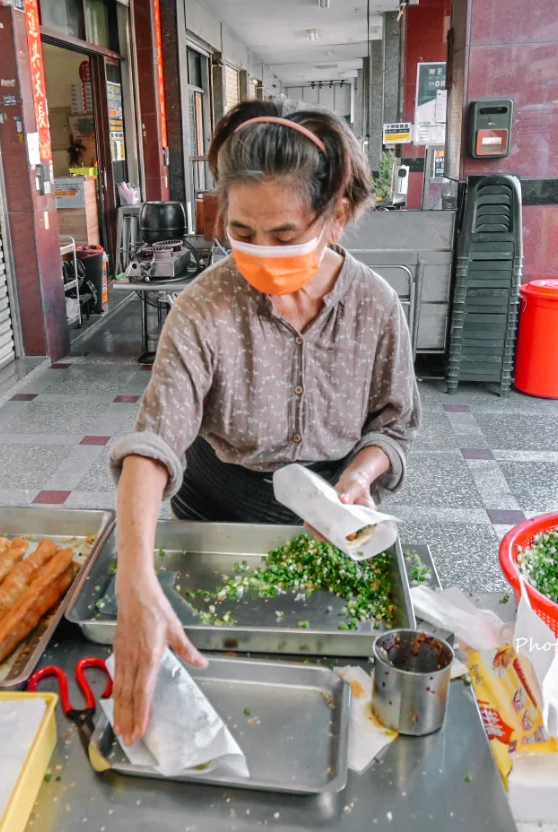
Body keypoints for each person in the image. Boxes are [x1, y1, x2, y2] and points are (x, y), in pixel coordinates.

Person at [107, 100, 420, 745]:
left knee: (322, 713)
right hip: (215, 518)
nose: (259, 254)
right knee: (219, 697)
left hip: (328, 525)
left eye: (283, 236)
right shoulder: (205, 306)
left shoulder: (374, 305)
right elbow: (155, 438)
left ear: (334, 218)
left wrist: (360, 476)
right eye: (242, 232)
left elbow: (394, 424)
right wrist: (133, 571)